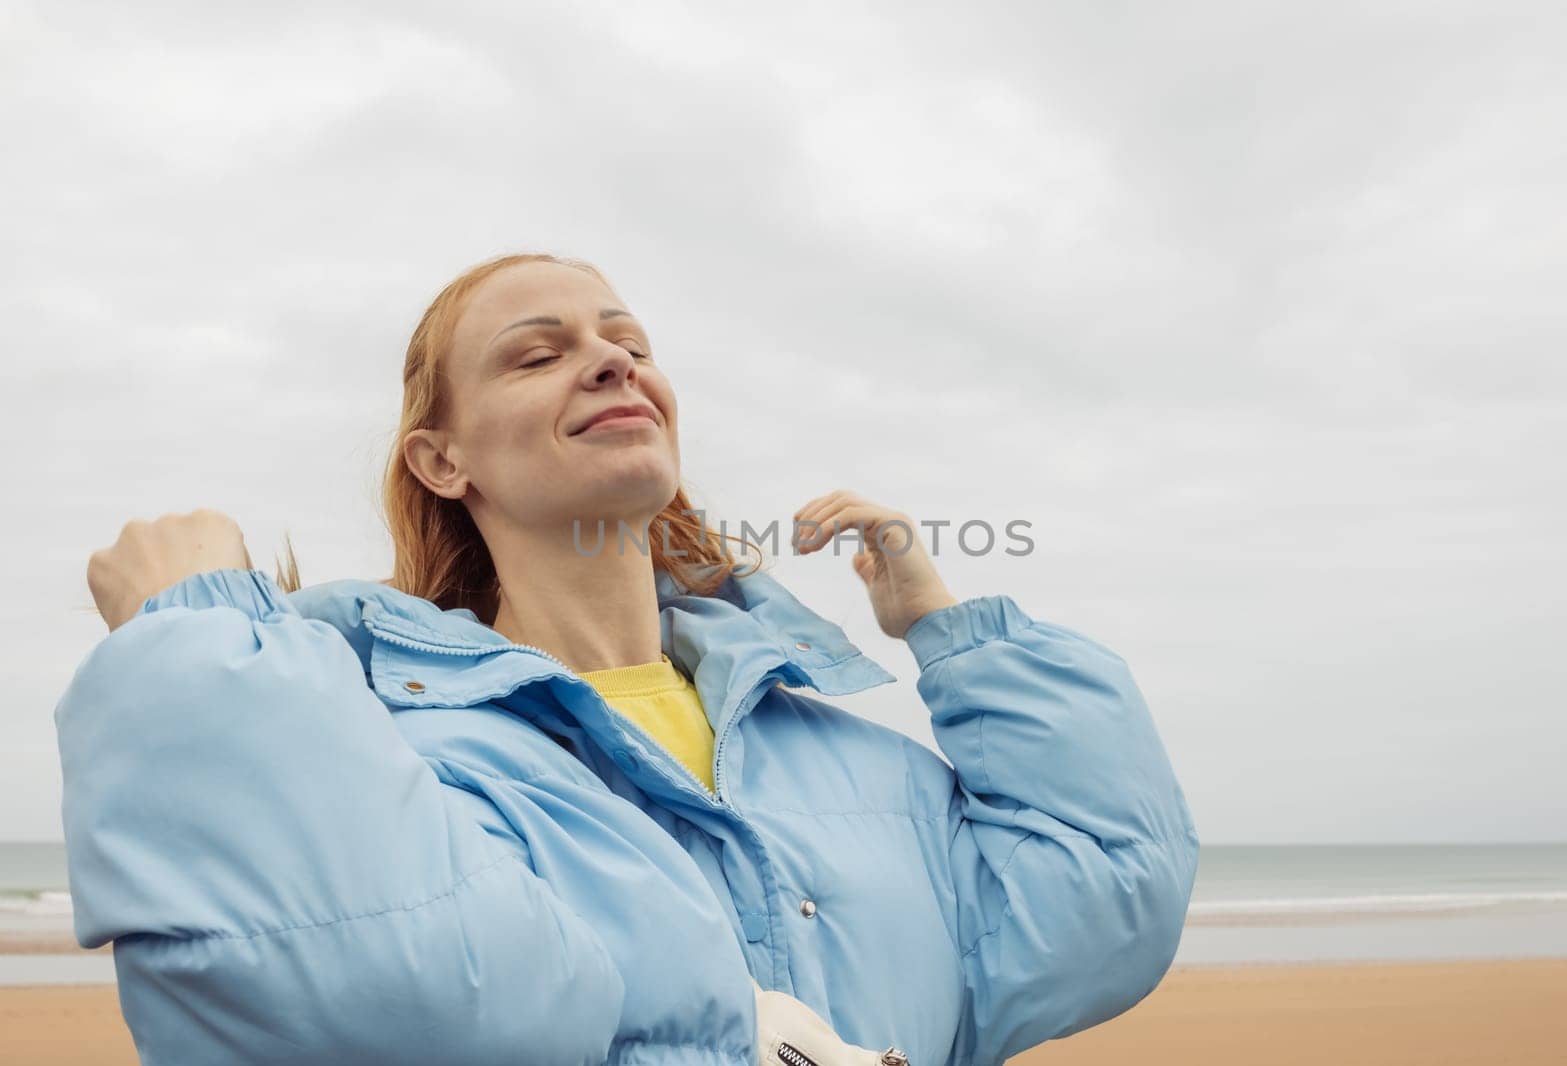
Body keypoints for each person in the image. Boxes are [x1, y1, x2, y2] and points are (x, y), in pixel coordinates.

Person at [56, 253, 1201, 1065]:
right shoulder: (386, 759)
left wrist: (953, 631)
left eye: (630, 343)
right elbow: (382, 999)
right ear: (443, 459)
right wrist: (197, 641)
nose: (612, 362)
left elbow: (1102, 904)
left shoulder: (862, 760)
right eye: (538, 354)